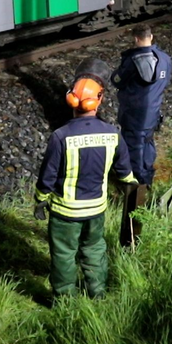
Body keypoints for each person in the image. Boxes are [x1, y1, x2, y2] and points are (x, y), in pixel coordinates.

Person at [34, 59, 137, 298]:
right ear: (99, 101)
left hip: (65, 212)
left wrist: (40, 200)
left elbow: (47, 177)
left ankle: (65, 299)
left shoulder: (60, 136)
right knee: (94, 249)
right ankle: (97, 292)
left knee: (63, 254)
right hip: (96, 210)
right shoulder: (112, 134)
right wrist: (131, 189)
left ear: (70, 100)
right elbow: (125, 172)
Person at [110, 24, 172, 247]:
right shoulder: (164, 58)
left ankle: (136, 194)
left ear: (136, 39)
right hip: (152, 113)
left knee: (134, 152)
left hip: (135, 115)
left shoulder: (133, 60)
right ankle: (148, 181)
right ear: (151, 37)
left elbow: (116, 80)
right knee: (147, 145)